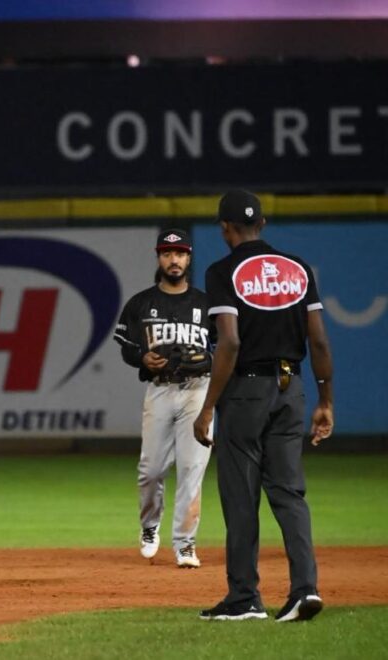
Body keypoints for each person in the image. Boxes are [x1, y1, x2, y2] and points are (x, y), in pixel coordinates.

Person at [194, 190, 333, 622]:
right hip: (292, 388)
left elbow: (230, 342)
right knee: (289, 492)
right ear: (263, 224)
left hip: (246, 390)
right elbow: (318, 340)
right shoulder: (298, 269)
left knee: (241, 494)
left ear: (225, 228)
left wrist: (207, 407)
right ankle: (305, 589)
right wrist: (326, 399)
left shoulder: (222, 271)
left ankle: (244, 598)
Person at [113, 229, 213, 568]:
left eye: (180, 253)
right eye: (168, 253)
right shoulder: (140, 303)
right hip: (159, 389)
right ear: (158, 257)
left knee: (192, 468)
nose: (174, 260)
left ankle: (185, 543)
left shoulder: (205, 304)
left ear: (188, 258)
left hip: (198, 390)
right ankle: (149, 525)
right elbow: (126, 347)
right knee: (151, 469)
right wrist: (142, 357)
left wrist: (209, 359)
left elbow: (225, 347)